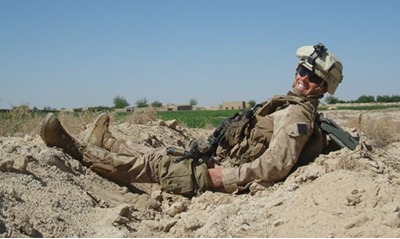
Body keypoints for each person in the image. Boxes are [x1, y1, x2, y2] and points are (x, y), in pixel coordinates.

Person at [41, 43, 343, 196]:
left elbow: (276, 164)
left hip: (225, 177)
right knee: (163, 153)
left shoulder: (297, 114)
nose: (303, 77)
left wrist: (222, 177)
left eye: (312, 76)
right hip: (221, 162)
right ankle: (108, 142)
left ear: (324, 87)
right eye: (302, 70)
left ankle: (73, 148)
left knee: (156, 164)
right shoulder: (289, 104)